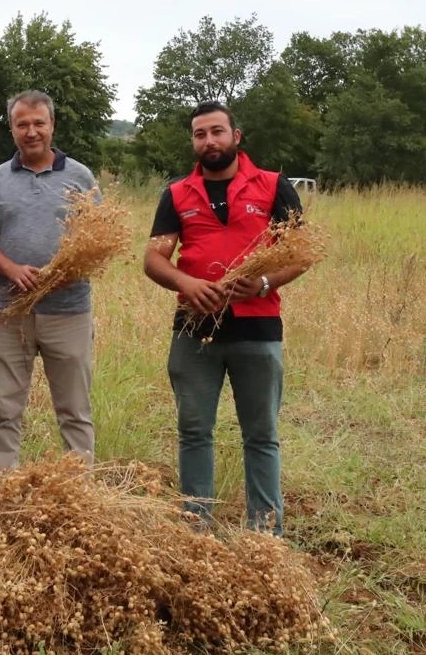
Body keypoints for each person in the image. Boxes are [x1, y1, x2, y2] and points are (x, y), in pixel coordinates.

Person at [142, 100, 306, 535]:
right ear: (194, 142)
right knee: (195, 431)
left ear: (236, 136)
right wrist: (186, 284)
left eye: (217, 131)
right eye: (200, 134)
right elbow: (154, 259)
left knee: (261, 436)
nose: (209, 141)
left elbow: (303, 252)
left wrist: (267, 282)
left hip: (258, 328)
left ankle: (265, 535)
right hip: (194, 331)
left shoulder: (273, 186)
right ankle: (195, 529)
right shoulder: (177, 194)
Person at [0, 90, 99, 469]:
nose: (31, 132)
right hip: (8, 313)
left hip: (69, 312)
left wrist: (64, 272)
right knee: (4, 411)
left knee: (75, 410)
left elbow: (95, 242)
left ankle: (77, 496)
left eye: (38, 123)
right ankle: (2, 492)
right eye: (22, 124)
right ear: (12, 129)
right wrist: (11, 270)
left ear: (52, 125)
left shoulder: (80, 176)